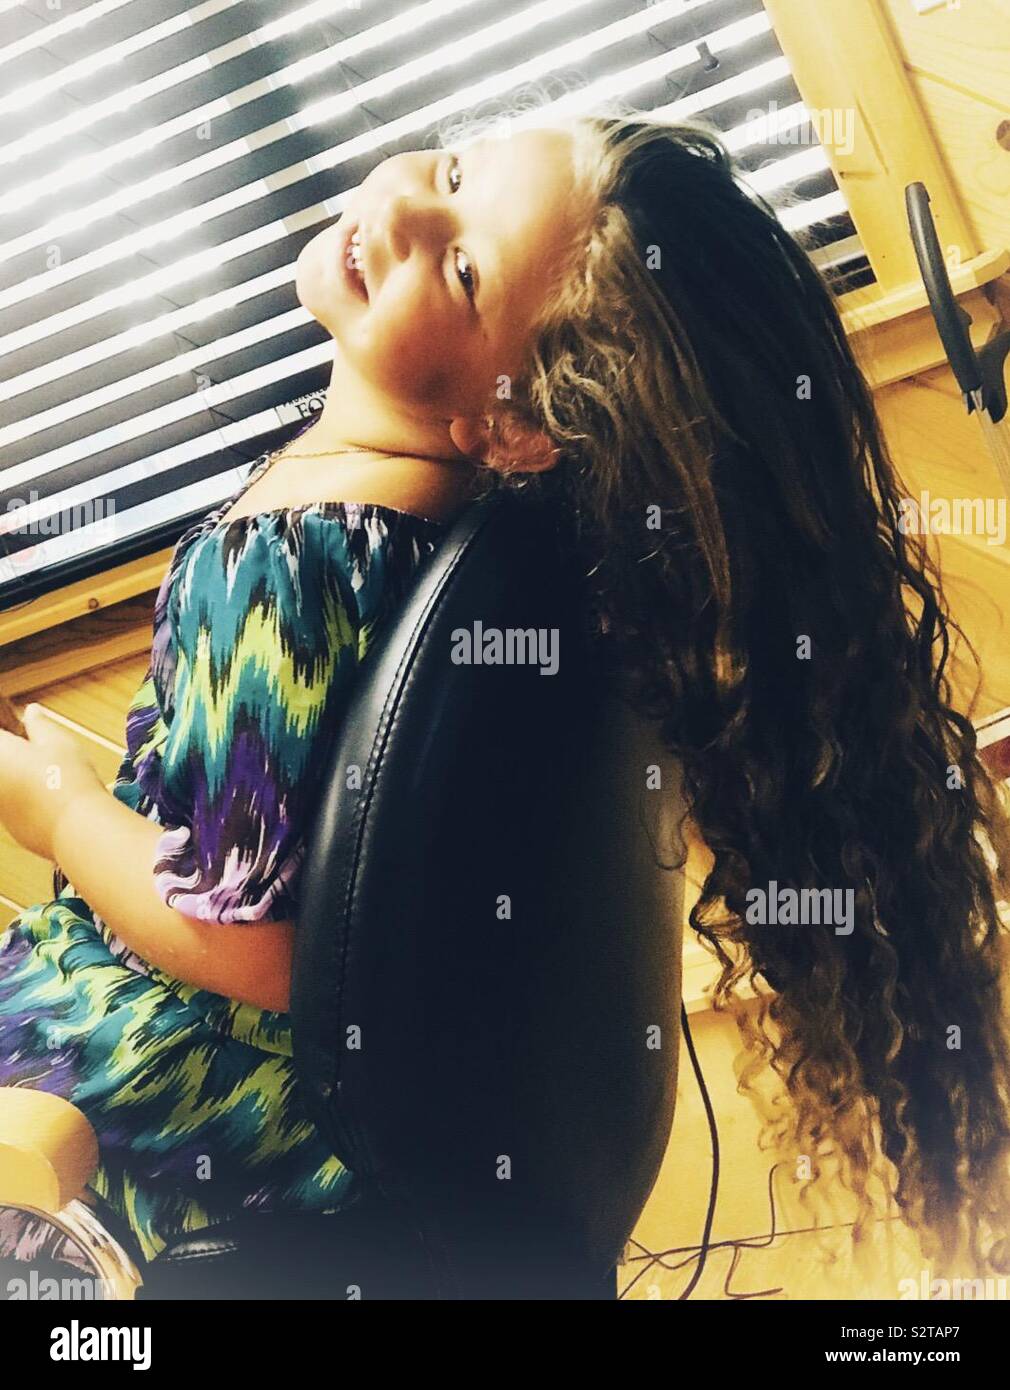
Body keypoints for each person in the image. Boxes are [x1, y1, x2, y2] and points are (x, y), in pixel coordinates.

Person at [1, 103, 1009, 1281]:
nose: (403, 208)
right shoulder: (462, 536)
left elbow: (256, 943)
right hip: (333, 1127)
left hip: (163, 1108)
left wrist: (59, 809)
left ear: (516, 427)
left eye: (465, 269)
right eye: (452, 169)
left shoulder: (287, 563)